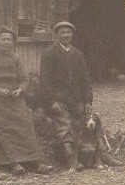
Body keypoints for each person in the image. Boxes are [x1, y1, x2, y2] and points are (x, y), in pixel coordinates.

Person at [0, 26, 52, 175]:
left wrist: (20, 89)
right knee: (2, 127)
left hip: (14, 98)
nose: (7, 42)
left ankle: (34, 161)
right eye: (3, 39)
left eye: (9, 39)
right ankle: (13, 163)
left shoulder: (16, 58)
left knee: (25, 123)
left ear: (13, 43)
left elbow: (24, 79)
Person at [39, 21, 94, 172]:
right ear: (56, 35)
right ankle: (72, 160)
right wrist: (52, 101)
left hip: (75, 99)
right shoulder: (49, 53)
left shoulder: (77, 54)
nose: (65, 35)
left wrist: (87, 100)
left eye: (68, 32)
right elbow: (45, 80)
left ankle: (100, 155)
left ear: (72, 35)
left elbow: (85, 79)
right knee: (64, 123)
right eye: (62, 32)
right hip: (57, 99)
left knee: (90, 121)